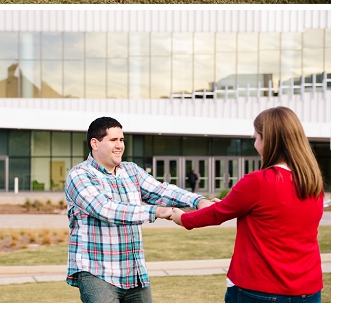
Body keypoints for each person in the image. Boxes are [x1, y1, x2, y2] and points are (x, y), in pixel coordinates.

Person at [170, 106, 324, 303]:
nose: (254, 143)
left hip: (260, 289)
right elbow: (274, 214)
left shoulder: (259, 181)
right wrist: (227, 204)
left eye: (256, 138)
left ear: (269, 140)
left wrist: (182, 218)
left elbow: (217, 214)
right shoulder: (313, 182)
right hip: (308, 291)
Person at [65, 116, 218, 303]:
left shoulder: (130, 171)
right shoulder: (80, 175)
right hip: (98, 274)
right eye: (113, 140)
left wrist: (199, 201)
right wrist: (157, 211)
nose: (120, 145)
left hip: (134, 274)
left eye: (121, 139)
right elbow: (105, 209)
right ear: (95, 143)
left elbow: (161, 190)